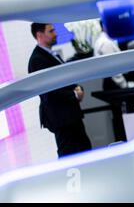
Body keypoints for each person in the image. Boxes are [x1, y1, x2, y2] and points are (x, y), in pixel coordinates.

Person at [28, 23, 92, 157]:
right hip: (61, 118)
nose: (56, 34)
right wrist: (74, 94)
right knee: (69, 154)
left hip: (70, 115)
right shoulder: (37, 60)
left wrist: (78, 88)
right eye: (51, 31)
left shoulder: (51, 54)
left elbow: (64, 80)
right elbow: (48, 93)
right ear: (39, 35)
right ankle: (74, 178)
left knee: (84, 150)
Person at [93, 21, 128, 90]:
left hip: (111, 81)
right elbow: (113, 68)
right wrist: (124, 85)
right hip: (114, 83)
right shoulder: (106, 42)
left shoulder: (102, 40)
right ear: (104, 26)